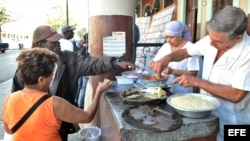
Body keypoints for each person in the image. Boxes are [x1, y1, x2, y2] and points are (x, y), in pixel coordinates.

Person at [11, 25, 136, 141]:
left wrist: (115, 63)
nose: (58, 43)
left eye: (58, 40)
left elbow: (92, 64)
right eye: (53, 42)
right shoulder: (25, 67)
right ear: (39, 44)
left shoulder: (69, 60)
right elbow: (16, 101)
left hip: (60, 126)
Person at [149, 6, 250, 141]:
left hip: (234, 123)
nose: (211, 43)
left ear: (237, 38)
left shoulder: (247, 53)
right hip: (207, 115)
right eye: (211, 37)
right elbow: (186, 52)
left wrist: (196, 81)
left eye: (218, 41)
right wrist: (166, 59)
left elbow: (236, 94)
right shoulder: (212, 39)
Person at [2, 47, 112, 141]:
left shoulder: (9, 99)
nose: (52, 77)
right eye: (51, 74)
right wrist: (99, 91)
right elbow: (87, 117)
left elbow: (9, 130)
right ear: (41, 80)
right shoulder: (54, 103)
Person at [152, 21, 199, 94]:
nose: (168, 40)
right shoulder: (165, 47)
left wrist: (172, 71)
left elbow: (193, 74)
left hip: (183, 90)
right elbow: (154, 62)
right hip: (165, 88)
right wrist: (153, 65)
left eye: (171, 37)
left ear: (179, 35)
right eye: (166, 37)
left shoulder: (190, 48)